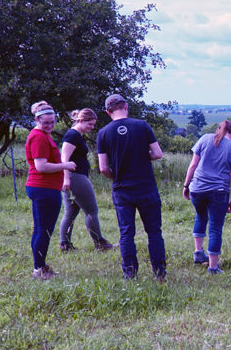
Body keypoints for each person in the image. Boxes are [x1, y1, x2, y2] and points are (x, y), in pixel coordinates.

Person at [96, 93, 166, 281]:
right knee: (154, 232)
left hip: (122, 189)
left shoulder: (103, 133)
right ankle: (159, 274)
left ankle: (130, 274)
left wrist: (116, 175)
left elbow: (103, 168)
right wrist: (143, 157)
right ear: (126, 106)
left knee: (126, 233)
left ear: (107, 111)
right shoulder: (142, 126)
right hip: (146, 187)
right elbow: (158, 154)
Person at [24, 101, 76, 279]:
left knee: (41, 229)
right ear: (37, 119)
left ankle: (40, 265)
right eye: (45, 122)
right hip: (43, 188)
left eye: (52, 122)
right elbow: (41, 166)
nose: (49, 125)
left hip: (44, 188)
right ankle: (39, 269)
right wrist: (66, 165)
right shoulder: (38, 137)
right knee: (44, 231)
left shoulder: (42, 135)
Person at [183, 120, 231, 275]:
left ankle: (198, 253)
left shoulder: (204, 139)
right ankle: (213, 268)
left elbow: (193, 165)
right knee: (215, 227)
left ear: (217, 129)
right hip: (219, 191)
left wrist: (186, 185)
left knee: (201, 217)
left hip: (197, 188)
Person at [58, 108, 114, 252]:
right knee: (91, 210)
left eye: (93, 124)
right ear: (81, 121)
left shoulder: (77, 135)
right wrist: (66, 179)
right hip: (75, 177)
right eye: (90, 124)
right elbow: (64, 159)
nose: (92, 127)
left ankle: (65, 245)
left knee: (70, 212)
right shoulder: (72, 136)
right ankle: (100, 243)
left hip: (73, 177)